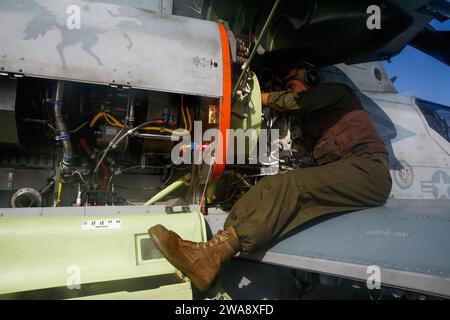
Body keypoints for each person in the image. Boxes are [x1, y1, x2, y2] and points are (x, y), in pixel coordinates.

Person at [148, 63, 392, 292]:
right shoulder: (308, 125)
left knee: (294, 184)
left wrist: (261, 98)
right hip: (351, 172)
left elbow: (299, 102)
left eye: (290, 85)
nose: (288, 91)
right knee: (274, 185)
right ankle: (212, 248)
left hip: (369, 170)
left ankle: (212, 257)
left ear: (310, 80)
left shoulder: (337, 93)